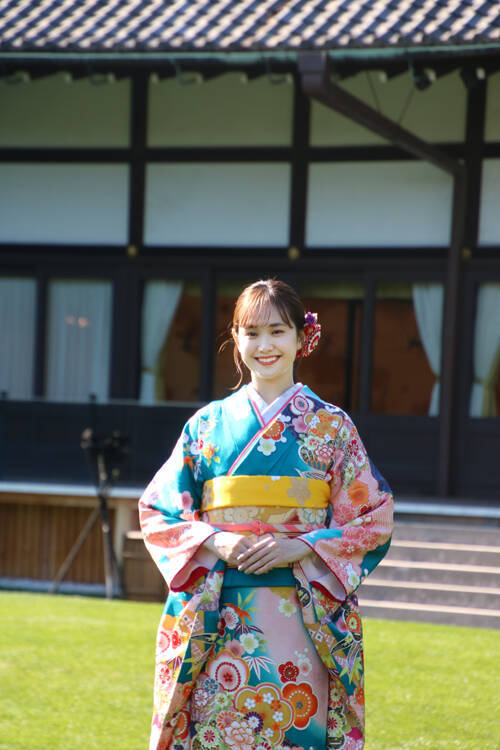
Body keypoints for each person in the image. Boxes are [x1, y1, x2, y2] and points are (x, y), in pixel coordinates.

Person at [139, 279, 394, 750]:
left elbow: (373, 519)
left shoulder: (331, 426)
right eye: (251, 333)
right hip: (220, 615)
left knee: (295, 725)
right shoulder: (205, 426)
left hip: (303, 612)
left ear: (302, 337)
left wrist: (303, 546)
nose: (265, 345)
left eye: (277, 331)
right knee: (219, 731)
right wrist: (214, 540)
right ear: (236, 340)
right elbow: (158, 510)